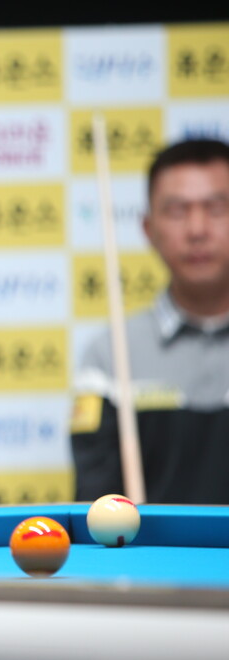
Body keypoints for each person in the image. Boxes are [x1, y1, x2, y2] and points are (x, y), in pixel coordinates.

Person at [72, 138, 229, 503]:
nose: (197, 229)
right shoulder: (110, 355)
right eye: (177, 211)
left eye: (217, 208)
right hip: (151, 559)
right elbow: (98, 503)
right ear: (148, 228)